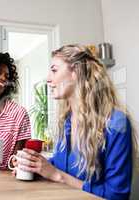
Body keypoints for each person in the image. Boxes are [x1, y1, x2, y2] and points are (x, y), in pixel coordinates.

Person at [15, 44, 138, 199]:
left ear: (76, 72)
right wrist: (36, 166)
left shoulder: (116, 122)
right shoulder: (66, 120)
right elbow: (62, 164)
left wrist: (58, 176)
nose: (48, 78)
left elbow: (116, 196)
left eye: (54, 70)